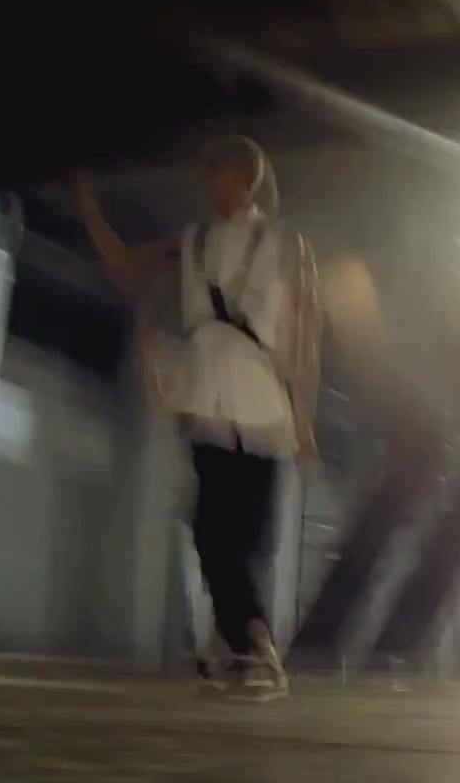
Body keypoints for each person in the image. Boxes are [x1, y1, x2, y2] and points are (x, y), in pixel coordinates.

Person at [76, 136, 319, 696]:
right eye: (210, 177)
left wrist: (304, 415)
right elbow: (124, 265)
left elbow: (306, 334)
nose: (214, 187)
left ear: (250, 181)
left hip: (263, 404)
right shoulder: (193, 241)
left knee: (247, 536)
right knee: (211, 528)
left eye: (224, 176)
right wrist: (88, 204)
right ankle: (252, 643)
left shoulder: (287, 245)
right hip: (207, 395)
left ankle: (243, 646)